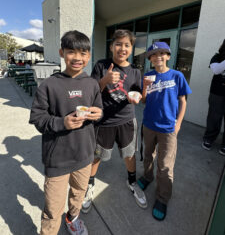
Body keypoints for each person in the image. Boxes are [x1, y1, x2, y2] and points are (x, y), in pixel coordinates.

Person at [29, 30, 103, 235]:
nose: (77, 58)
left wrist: (99, 114)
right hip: (58, 157)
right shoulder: (49, 85)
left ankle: (73, 218)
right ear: (62, 53)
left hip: (85, 155)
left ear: (88, 55)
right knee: (53, 208)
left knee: (79, 194)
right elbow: (37, 118)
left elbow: (99, 109)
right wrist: (63, 123)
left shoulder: (92, 83)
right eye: (71, 52)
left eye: (83, 53)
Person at [81, 29, 147, 214]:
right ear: (111, 46)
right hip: (103, 121)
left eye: (127, 45)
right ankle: (89, 185)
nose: (122, 48)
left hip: (126, 120)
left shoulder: (135, 71)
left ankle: (132, 181)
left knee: (129, 154)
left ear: (131, 48)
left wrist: (136, 98)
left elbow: (136, 93)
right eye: (118, 44)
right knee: (97, 155)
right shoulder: (101, 65)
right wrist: (105, 79)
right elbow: (92, 91)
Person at [137, 42, 192, 221]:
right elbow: (144, 100)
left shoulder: (177, 76)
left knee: (165, 165)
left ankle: (162, 198)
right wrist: (144, 86)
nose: (158, 56)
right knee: (147, 155)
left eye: (162, 53)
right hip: (149, 124)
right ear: (150, 59)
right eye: (154, 54)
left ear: (168, 56)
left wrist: (179, 124)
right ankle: (147, 177)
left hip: (168, 128)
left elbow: (183, 101)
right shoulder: (148, 75)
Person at [202, 39, 225, 155]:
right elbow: (216, 70)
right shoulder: (217, 57)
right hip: (217, 93)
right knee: (214, 117)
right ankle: (209, 138)